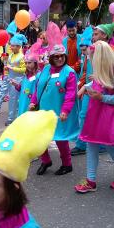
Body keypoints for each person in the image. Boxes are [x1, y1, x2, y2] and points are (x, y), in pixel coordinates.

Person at [74, 41, 114, 193]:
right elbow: (98, 82)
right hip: (97, 112)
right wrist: (85, 87)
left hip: (110, 115)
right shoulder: (102, 68)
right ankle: (91, 180)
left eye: (93, 57)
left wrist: (101, 98)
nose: (91, 60)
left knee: (111, 147)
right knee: (91, 144)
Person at [29, 44, 79, 176]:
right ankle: (45, 161)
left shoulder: (69, 72)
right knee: (39, 136)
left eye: (62, 56)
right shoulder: (45, 69)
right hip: (43, 111)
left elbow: (70, 95)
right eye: (56, 56)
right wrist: (33, 102)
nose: (59, 59)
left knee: (60, 138)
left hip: (59, 111)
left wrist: (65, 111)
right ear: (51, 57)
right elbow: (37, 88)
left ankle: (67, 164)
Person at [0, 34, 26, 126]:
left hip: (17, 80)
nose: (11, 47)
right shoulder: (11, 55)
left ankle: (13, 118)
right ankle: (11, 117)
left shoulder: (22, 56)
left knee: (14, 99)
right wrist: (6, 74)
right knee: (11, 99)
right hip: (9, 79)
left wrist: (12, 68)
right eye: (11, 45)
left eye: (12, 45)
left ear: (19, 46)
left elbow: (24, 70)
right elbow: (8, 66)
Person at [70, 33, 93, 156]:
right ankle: (84, 143)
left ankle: (82, 144)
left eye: (85, 49)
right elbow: (82, 74)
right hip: (84, 89)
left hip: (92, 91)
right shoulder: (84, 58)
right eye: (82, 50)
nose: (83, 52)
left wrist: (85, 86)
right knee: (82, 115)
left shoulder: (95, 57)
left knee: (84, 116)